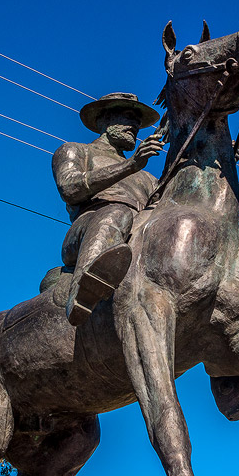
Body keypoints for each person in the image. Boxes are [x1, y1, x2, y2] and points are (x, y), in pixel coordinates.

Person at [52, 92, 165, 326]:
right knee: (117, 212)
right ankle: (82, 291)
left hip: (133, 233)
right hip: (87, 229)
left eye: (138, 121)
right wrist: (130, 165)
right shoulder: (76, 150)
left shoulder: (146, 177)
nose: (134, 125)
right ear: (104, 120)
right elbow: (69, 188)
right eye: (127, 116)